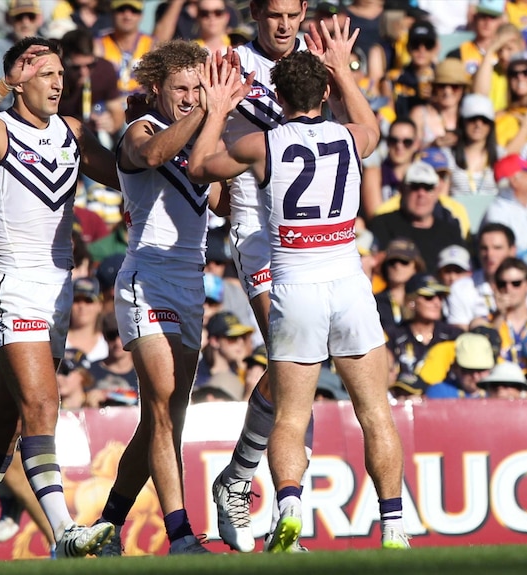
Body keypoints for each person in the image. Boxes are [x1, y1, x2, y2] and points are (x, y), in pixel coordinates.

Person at [188, 16, 409, 551]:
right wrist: (343, 73)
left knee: (292, 406)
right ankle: (395, 528)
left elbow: (198, 167)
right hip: (342, 276)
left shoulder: (262, 145)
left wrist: (216, 110)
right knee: (374, 409)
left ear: (276, 95)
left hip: (293, 276)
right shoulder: (352, 135)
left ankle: (281, 503)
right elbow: (373, 130)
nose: (285, 22)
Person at [0, 37, 121, 561]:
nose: (58, 82)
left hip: (58, 287)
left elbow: (120, 174)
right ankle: (64, 530)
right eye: (46, 73)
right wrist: (0, 87)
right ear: (20, 79)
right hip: (12, 282)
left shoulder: (73, 131)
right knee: (43, 403)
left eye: (61, 73)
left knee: (8, 424)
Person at [92, 39, 230, 556]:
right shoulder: (141, 130)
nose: (193, 97)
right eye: (182, 89)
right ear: (156, 91)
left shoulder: (201, 138)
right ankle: (180, 534)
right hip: (146, 277)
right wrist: (209, 115)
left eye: (200, 87)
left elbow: (220, 202)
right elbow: (152, 155)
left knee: (163, 416)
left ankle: (105, 526)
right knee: (164, 404)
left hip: (192, 282)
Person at [205, 0, 310, 553]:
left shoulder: (320, 59)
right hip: (257, 224)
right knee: (291, 360)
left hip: (314, 229)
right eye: (273, 14)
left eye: (292, 14)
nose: (284, 25)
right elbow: (204, 131)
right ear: (256, 13)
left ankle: (240, 479)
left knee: (303, 367)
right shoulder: (230, 62)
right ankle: (269, 501)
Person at [426, 332, 495, 399]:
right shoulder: (439, 393)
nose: (475, 376)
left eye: (481, 370)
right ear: (455, 368)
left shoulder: (497, 392)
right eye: (468, 370)